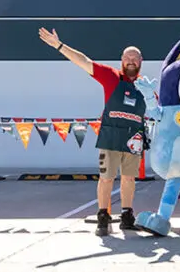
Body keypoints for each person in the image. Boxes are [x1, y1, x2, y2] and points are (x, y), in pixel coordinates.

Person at [39, 27, 150, 236]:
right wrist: (60, 46)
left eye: (135, 58)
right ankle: (102, 216)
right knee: (106, 178)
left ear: (141, 62)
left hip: (133, 139)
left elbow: (158, 109)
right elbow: (84, 61)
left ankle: (127, 216)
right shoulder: (110, 76)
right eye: (128, 57)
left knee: (129, 179)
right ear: (121, 61)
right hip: (110, 137)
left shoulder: (146, 86)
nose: (131, 61)